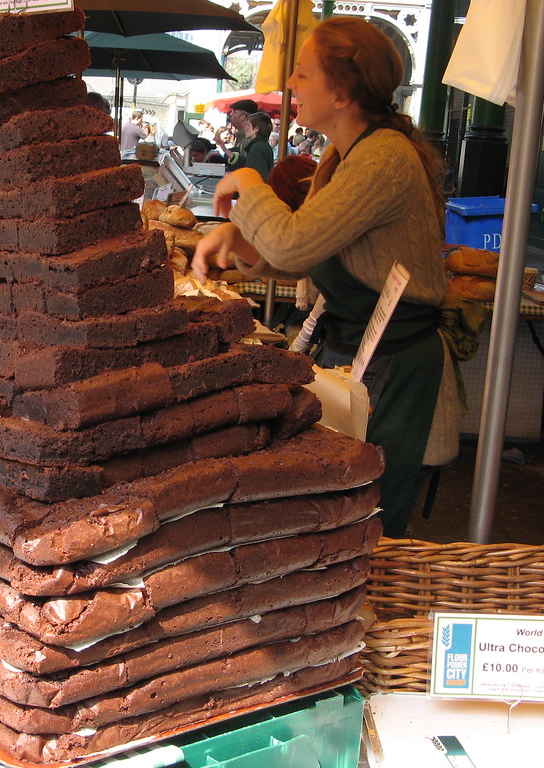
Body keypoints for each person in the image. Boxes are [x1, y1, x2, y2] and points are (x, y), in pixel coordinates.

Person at [192, 17, 459, 537]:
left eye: (303, 72)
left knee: (366, 530)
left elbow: (294, 243)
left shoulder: (384, 156)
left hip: (398, 373)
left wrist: (249, 182)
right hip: (356, 360)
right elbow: (303, 256)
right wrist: (239, 241)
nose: (291, 83)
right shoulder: (342, 154)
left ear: (341, 93)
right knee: (335, 524)